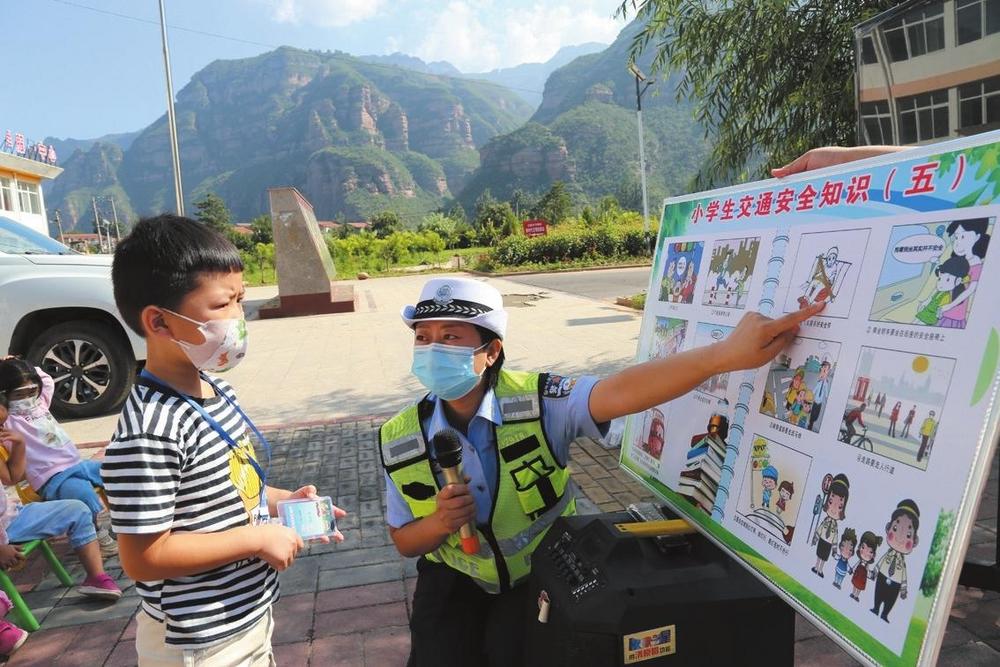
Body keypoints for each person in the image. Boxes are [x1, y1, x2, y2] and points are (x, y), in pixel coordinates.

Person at [381, 276, 823, 666]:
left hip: (539, 574)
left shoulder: (539, 401)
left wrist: (722, 356)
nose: (433, 349)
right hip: (454, 578)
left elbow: (618, 392)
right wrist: (440, 523)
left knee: (519, 653)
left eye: (451, 336)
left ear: (492, 351)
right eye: (423, 337)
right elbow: (403, 540)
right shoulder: (398, 435)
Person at [102, 215, 346, 666]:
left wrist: (282, 501)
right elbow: (143, 556)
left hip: (244, 615)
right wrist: (256, 539)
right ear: (159, 322)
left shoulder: (214, 391)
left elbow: (232, 484)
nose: (239, 317)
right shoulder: (149, 430)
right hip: (198, 640)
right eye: (222, 305)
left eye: (241, 300)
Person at [0, 399, 122, 609]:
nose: (2, 429)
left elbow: (11, 477)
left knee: (78, 510)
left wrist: (19, 444)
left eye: (2, 424)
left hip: (12, 518)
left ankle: (96, 576)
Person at [0, 359, 117, 558]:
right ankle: (98, 535)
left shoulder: (41, 403)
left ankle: (124, 520)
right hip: (51, 479)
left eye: (31, 391)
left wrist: (22, 365)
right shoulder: (8, 419)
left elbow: (46, 380)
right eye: (19, 395)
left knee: (116, 471)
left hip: (77, 465)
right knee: (82, 494)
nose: (27, 398)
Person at [871, 500, 920, 622]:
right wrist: (874, 572)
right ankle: (876, 608)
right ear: (888, 528)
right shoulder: (887, 555)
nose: (899, 538)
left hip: (895, 583)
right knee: (878, 594)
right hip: (882, 576)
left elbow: (904, 576)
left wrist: (903, 589)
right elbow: (880, 563)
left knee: (890, 600)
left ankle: (885, 614)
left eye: (908, 534)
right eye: (896, 528)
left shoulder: (902, 563)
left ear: (914, 541)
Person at [938, 218, 991, 328]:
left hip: (956, 310)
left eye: (963, 236)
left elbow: (971, 289)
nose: (958, 242)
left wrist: (950, 305)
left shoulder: (976, 263)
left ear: (977, 237)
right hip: (944, 304)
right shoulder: (956, 261)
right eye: (956, 237)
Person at [811, 474, 849, 578]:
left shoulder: (835, 526)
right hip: (822, 540)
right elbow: (820, 529)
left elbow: (835, 537)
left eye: (840, 506)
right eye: (831, 501)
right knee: (819, 555)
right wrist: (815, 538)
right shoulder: (825, 521)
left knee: (824, 557)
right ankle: (816, 567)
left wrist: (834, 549)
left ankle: (820, 569)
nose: (834, 508)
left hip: (828, 543)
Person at [914, 255, 969, 326]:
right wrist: (925, 302)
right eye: (940, 279)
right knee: (916, 322)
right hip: (926, 311)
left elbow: (940, 311)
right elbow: (931, 298)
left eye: (947, 280)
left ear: (958, 281)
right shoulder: (939, 292)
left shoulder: (947, 296)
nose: (940, 284)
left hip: (931, 316)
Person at [851, 530, 882, 602]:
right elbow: (856, 565)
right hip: (858, 573)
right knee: (855, 584)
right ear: (859, 547)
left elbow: (867, 571)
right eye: (863, 547)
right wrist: (852, 569)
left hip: (863, 576)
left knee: (859, 586)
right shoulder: (860, 561)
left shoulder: (867, 565)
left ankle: (856, 595)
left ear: (873, 554)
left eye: (870, 552)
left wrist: (870, 575)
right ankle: (853, 593)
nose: (865, 553)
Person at [808, 360, 831, 431]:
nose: (824, 372)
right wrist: (811, 394)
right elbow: (815, 389)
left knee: (816, 415)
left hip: (820, 402)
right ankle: (810, 424)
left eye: (826, 370)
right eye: (823, 369)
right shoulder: (819, 381)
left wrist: (827, 398)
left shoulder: (826, 383)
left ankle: (812, 422)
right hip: (815, 401)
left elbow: (826, 391)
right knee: (812, 414)